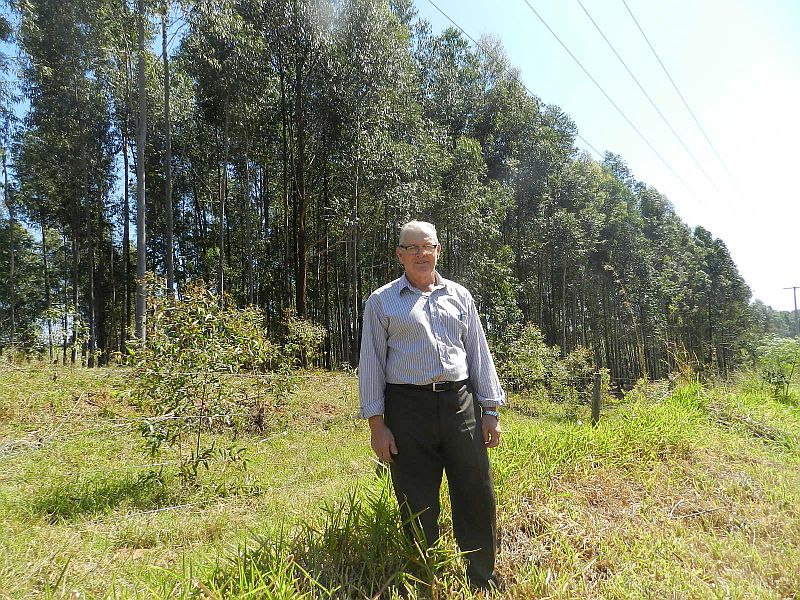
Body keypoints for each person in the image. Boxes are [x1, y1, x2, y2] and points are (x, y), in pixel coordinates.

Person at [358, 220, 504, 590]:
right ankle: (425, 576)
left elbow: (478, 354)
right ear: (400, 255)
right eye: (412, 248)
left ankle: (481, 577)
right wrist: (377, 425)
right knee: (416, 496)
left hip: (460, 402)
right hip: (407, 409)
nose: (421, 254)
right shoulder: (381, 301)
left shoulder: (460, 296)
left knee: (475, 488)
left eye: (428, 246)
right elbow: (372, 363)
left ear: (439, 250)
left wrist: (490, 410)